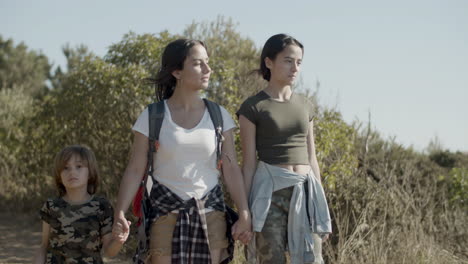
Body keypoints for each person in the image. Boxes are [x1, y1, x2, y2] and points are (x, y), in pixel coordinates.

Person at [113, 38, 252, 264]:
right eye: (198, 64)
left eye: (207, 62)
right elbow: (135, 168)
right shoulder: (152, 115)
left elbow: (231, 169)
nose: (208, 69)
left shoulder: (219, 115)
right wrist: (119, 211)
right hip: (163, 214)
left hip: (211, 215)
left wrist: (244, 212)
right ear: (177, 72)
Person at [237, 34, 332, 264]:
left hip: (305, 191)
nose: (295, 68)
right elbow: (248, 164)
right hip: (269, 194)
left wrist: (322, 206)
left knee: (312, 259)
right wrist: (245, 213)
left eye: (299, 62)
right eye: (288, 61)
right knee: (271, 260)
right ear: (269, 62)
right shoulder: (253, 106)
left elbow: (312, 157)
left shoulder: (306, 105)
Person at [33, 145, 129, 264]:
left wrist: (119, 241)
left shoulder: (102, 206)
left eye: (79, 166)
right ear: (59, 176)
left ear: (90, 172)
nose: (72, 171)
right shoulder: (51, 206)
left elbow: (109, 252)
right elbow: (44, 247)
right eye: (65, 168)